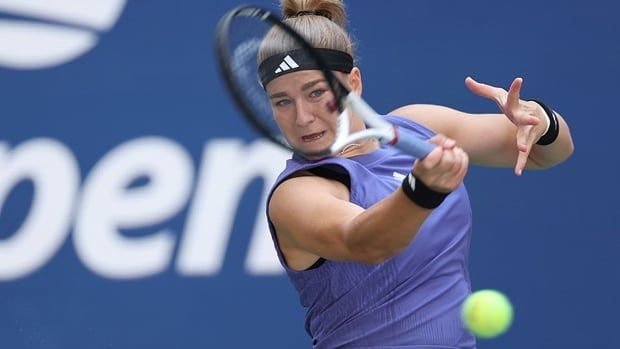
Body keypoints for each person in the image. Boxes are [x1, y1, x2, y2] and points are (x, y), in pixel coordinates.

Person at [260, 0, 574, 348]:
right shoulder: (297, 194)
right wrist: (420, 190)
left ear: (354, 83)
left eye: (316, 92)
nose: (302, 117)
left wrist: (540, 121)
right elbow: (366, 242)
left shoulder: (420, 125)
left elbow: (548, 154)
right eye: (282, 101)